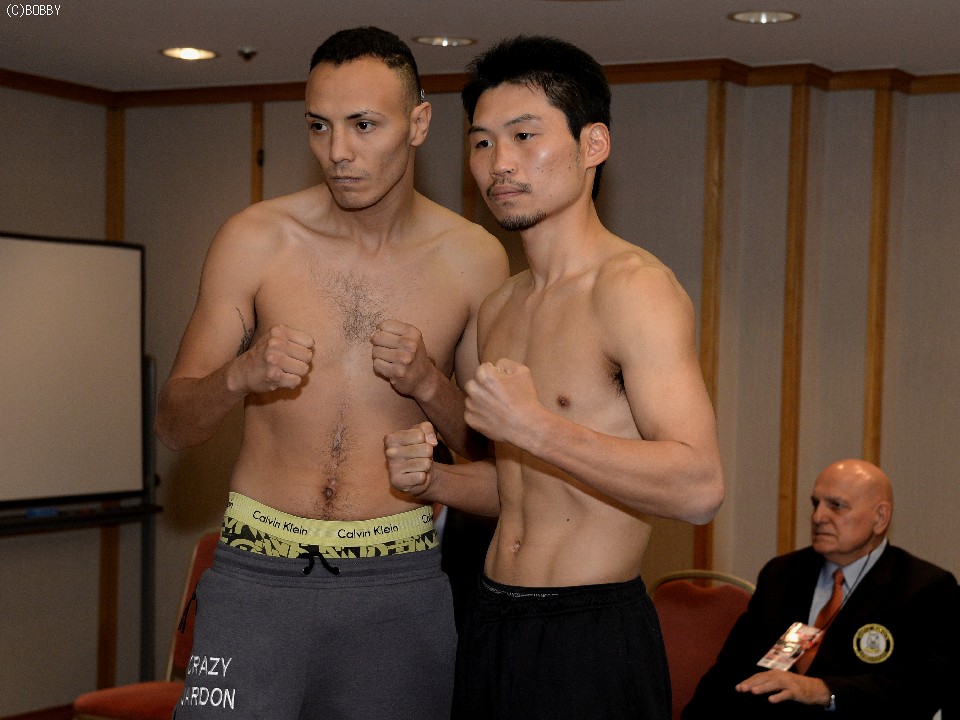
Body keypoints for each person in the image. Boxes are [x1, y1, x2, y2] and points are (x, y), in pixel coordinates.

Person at [154, 26, 508, 720]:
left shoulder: (474, 259)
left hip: (398, 587)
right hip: (254, 581)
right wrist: (240, 375)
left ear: (419, 123)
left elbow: (494, 462)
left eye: (363, 125)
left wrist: (429, 383)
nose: (338, 151)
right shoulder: (256, 239)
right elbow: (173, 425)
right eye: (319, 126)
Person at [384, 35, 724, 719]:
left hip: (589, 633)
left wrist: (536, 427)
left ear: (593, 144)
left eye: (524, 136)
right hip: (490, 618)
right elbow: (521, 487)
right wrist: (436, 484)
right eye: (482, 143)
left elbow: (698, 488)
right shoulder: (499, 307)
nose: (500, 164)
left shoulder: (634, 289)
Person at [683, 459, 959, 719]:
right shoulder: (782, 574)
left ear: (880, 517)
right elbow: (730, 671)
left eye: (836, 506)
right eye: (816, 504)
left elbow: (921, 690)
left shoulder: (923, 587)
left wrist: (824, 691)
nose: (818, 517)